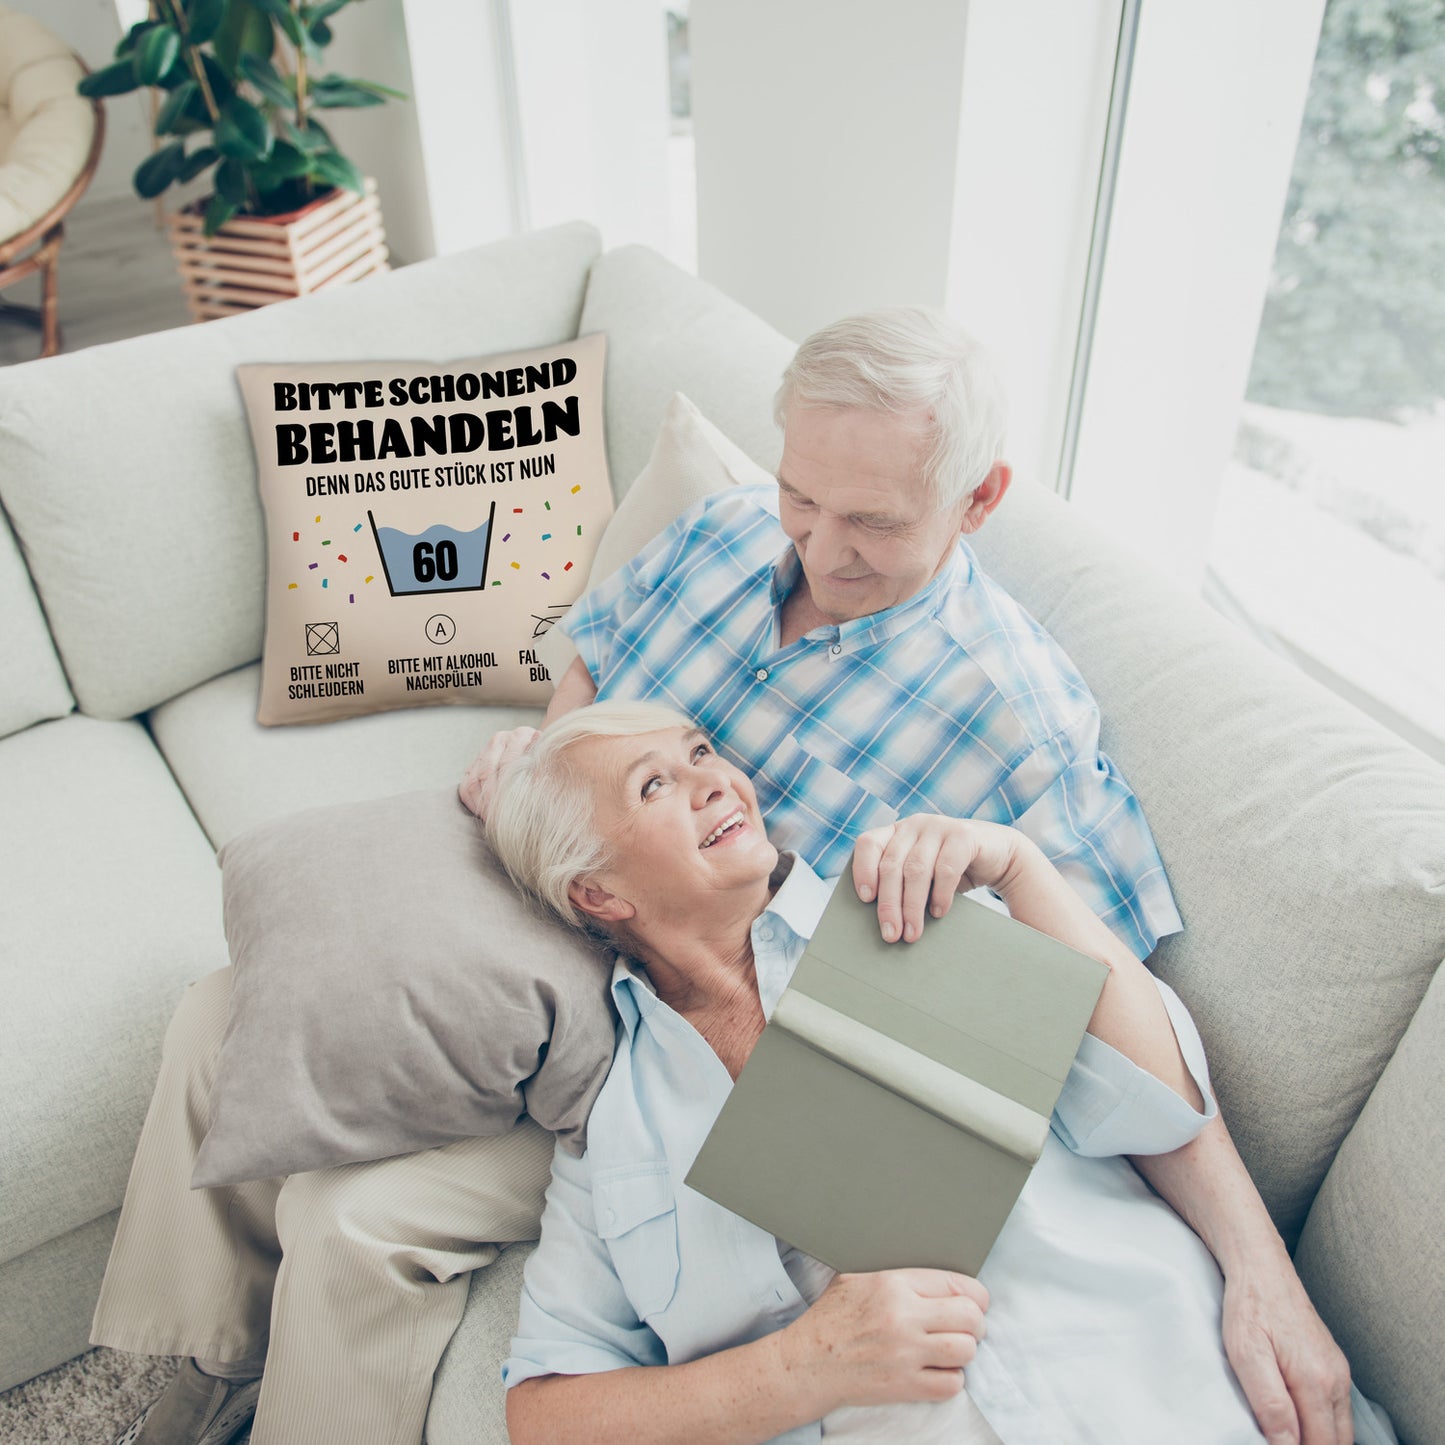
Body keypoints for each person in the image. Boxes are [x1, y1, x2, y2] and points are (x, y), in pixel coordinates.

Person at [94, 309, 1348, 1445]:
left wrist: (1260, 1267)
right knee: (229, 1007)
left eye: (871, 520)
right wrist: (546, 765)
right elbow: (594, 666)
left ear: (976, 501)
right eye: (804, 495)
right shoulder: (725, 532)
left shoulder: (1016, 725)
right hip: (583, 891)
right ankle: (192, 1363)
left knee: (354, 1218)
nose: (818, 545)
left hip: (695, 1014)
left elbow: (1103, 1021)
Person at [486, 700, 1378, 1445]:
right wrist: (800, 1367)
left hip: (1174, 1388)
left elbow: (1158, 1104)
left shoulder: (908, 906)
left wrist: (1021, 869)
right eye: (655, 785)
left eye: (700, 752)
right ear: (597, 893)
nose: (715, 779)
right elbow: (545, 1411)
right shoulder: (615, 1132)